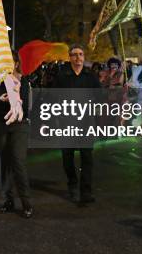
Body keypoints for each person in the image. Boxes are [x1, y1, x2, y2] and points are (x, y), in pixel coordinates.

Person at [53, 44, 101, 205]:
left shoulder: (91, 76)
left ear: (84, 56)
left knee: (87, 158)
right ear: (70, 57)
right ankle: (72, 184)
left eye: (80, 54)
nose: (78, 57)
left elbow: (99, 96)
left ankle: (86, 191)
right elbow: (53, 98)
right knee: (68, 157)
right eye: (74, 54)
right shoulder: (62, 76)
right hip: (67, 123)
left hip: (86, 123)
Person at [0, 55, 33, 218]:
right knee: (4, 163)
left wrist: (14, 99)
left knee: (18, 161)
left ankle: (26, 202)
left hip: (19, 125)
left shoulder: (23, 81)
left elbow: (25, 104)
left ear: (16, 63)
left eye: (10, 61)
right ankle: (8, 200)